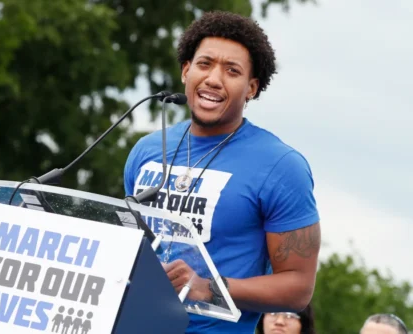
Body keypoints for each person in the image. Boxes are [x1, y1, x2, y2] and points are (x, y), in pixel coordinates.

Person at [124, 10, 321, 333]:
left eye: (232, 71)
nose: (214, 79)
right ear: (186, 71)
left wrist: (208, 287)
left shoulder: (281, 167)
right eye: (204, 64)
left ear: (252, 88)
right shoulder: (146, 150)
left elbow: (298, 287)